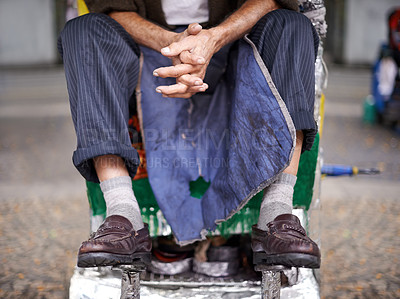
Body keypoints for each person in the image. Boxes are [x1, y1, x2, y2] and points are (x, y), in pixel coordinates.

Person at [58, 0, 321, 269]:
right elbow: (111, 5)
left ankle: (277, 216)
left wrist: (214, 38)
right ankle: (123, 216)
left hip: (236, 40)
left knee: (292, 26)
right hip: (145, 47)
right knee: (83, 30)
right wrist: (173, 43)